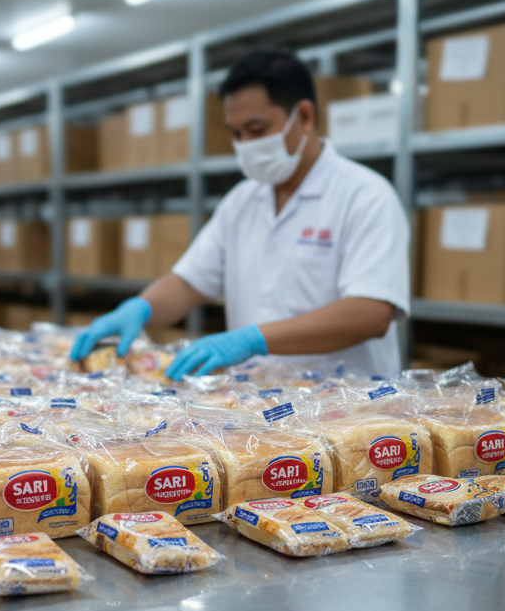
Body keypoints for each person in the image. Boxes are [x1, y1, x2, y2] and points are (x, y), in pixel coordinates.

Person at [69, 48, 409, 380]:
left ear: (305, 116)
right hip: (257, 408)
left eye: (257, 130)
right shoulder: (242, 201)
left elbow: (370, 312)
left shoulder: (365, 196)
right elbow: (189, 283)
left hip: (347, 412)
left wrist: (252, 340)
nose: (245, 144)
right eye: (236, 134)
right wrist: (140, 308)